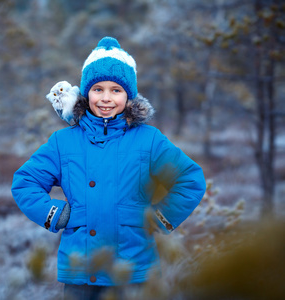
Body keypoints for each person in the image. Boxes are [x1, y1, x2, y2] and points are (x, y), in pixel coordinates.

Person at [11, 36, 206, 300]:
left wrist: (158, 218)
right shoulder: (63, 142)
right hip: (81, 271)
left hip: (135, 269)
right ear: (86, 92)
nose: (106, 98)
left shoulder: (149, 140)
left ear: (129, 95)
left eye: (116, 90)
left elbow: (190, 179)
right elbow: (25, 182)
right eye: (97, 89)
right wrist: (57, 214)